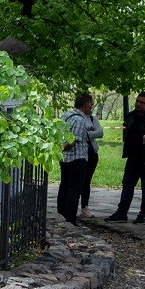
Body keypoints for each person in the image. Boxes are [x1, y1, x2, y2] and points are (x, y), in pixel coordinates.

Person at [106, 92, 145, 223]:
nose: (138, 104)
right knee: (127, 184)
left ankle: (144, 214)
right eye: (137, 101)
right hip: (133, 156)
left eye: (142, 102)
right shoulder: (131, 115)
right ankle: (122, 212)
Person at [57, 93, 98, 226]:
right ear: (85, 105)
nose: (92, 108)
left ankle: (61, 215)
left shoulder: (65, 115)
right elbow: (72, 141)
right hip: (77, 159)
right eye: (91, 105)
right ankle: (70, 220)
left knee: (64, 187)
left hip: (65, 160)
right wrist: (62, 149)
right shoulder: (80, 120)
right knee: (75, 190)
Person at [79, 102, 104, 219]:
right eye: (90, 105)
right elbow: (78, 134)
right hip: (79, 153)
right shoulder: (76, 118)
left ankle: (85, 206)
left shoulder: (93, 119)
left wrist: (88, 134)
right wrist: (89, 134)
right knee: (78, 180)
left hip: (92, 152)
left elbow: (100, 133)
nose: (92, 108)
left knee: (87, 180)